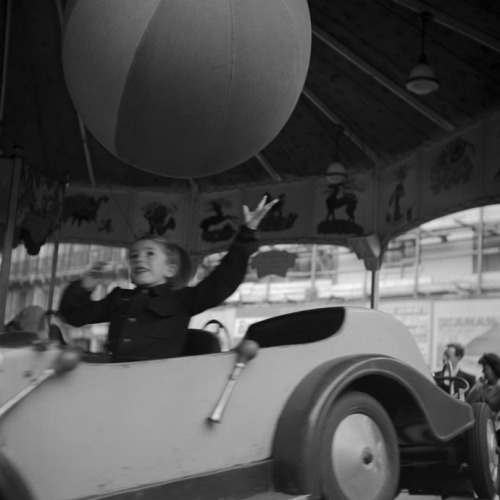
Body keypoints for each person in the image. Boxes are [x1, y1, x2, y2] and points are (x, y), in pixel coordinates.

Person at [59, 196, 277, 363]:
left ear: (170, 269)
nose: (139, 259)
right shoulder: (119, 298)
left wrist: (246, 235)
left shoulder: (181, 300)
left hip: (159, 384)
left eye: (149, 253)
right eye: (134, 255)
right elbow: (74, 316)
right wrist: (86, 284)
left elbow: (222, 281)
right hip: (114, 379)